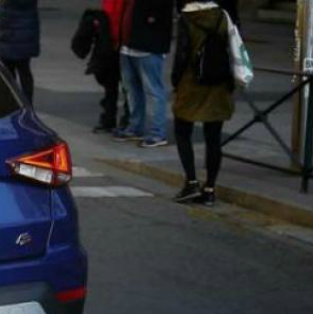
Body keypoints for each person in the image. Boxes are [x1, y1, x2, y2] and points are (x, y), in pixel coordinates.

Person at [170, 0, 246, 206]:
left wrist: (175, 80)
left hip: (191, 83)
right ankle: (210, 188)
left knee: (182, 130)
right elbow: (234, 46)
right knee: (213, 138)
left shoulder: (187, 18)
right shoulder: (222, 16)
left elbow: (182, 54)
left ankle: (191, 182)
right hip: (219, 83)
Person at [113, 0, 173, 148]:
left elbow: (160, 16)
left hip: (148, 47)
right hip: (128, 45)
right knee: (132, 90)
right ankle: (135, 126)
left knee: (153, 90)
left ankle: (157, 132)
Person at [71, 5, 122, 132]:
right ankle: (110, 117)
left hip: (116, 43)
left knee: (115, 84)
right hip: (111, 42)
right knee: (111, 84)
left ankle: (113, 118)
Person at [0, 0, 41, 103]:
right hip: (25, 35)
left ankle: (11, 101)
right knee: (24, 70)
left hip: (8, 34)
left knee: (9, 71)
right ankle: (27, 102)